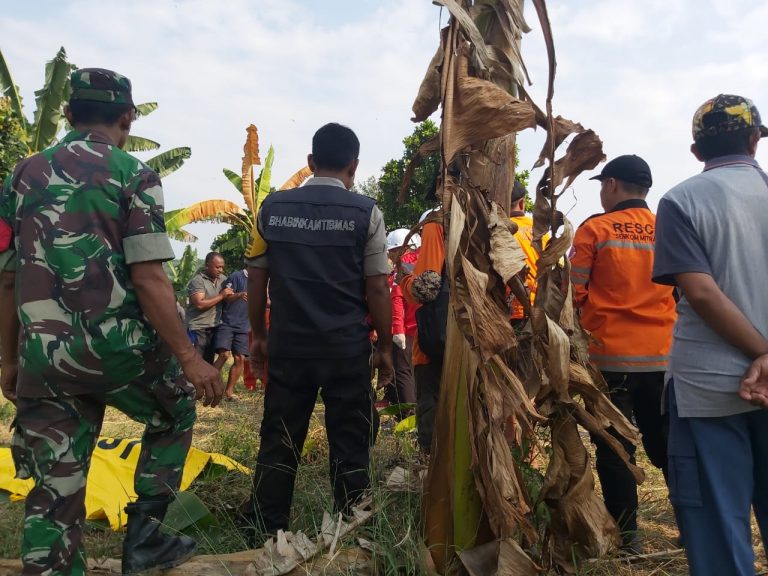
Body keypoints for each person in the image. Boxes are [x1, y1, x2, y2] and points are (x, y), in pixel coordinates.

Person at [0, 68, 224, 576]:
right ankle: (144, 535)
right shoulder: (135, 174)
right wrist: (190, 359)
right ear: (127, 118)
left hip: (45, 359)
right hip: (119, 353)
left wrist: (10, 361)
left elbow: (8, 279)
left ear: (67, 114)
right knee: (175, 412)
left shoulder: (22, 175)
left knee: (54, 489)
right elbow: (148, 278)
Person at [240, 122, 393, 542]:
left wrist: (258, 335)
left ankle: (265, 528)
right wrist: (383, 344)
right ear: (354, 165)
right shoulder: (367, 212)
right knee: (350, 441)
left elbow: (256, 278)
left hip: (290, 347)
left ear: (310, 162)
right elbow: (378, 286)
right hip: (347, 349)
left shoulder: (271, 208)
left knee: (280, 438)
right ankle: (351, 529)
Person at [652, 94, 768, 575]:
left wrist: (763, 353)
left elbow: (700, 292)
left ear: (697, 151)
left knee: (719, 527)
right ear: (755, 140)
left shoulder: (681, 201)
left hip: (708, 388)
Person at [570, 154, 676, 553]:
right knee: (668, 445)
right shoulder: (667, 226)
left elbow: (574, 294)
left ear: (612, 185)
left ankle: (628, 540)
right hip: (662, 357)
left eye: (602, 185)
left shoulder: (594, 229)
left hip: (609, 359)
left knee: (615, 448)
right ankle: (691, 526)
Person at [400, 207, 445, 454]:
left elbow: (427, 287)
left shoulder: (435, 224)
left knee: (430, 402)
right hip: (478, 339)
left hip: (433, 340)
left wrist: (404, 281)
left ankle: (430, 464)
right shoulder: (486, 220)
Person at [376, 229, 418, 411]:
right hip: (422, 326)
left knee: (403, 371)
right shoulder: (425, 260)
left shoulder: (404, 266)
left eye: (392, 251)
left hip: (407, 328)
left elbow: (397, 299)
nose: (390, 255)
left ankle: (409, 415)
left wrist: (398, 328)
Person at [509, 180, 546, 322]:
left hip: (513, 311)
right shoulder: (540, 228)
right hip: (542, 307)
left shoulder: (499, 229)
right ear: (522, 202)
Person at [185, 252, 232, 363]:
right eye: (217, 267)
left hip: (213, 327)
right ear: (207, 265)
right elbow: (199, 304)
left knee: (208, 362)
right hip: (198, 328)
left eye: (222, 267)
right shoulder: (198, 281)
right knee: (195, 363)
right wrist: (221, 295)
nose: (221, 270)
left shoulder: (223, 280)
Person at [213, 267, 249, 400]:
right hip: (227, 322)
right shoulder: (236, 276)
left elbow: (265, 300)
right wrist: (239, 295)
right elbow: (226, 297)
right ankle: (209, 386)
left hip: (244, 325)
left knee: (240, 358)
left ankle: (229, 392)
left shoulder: (261, 281)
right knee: (224, 355)